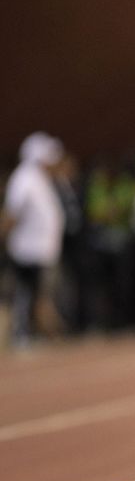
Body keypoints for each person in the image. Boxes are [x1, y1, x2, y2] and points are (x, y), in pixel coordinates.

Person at [1, 132, 66, 350]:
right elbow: (12, 214)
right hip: (27, 250)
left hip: (41, 251)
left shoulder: (40, 179)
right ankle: (22, 336)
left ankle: (33, 334)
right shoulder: (25, 179)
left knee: (38, 296)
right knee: (27, 296)